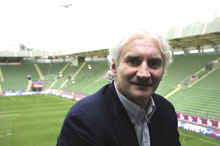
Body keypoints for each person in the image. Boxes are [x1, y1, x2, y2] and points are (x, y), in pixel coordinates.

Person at [57, 29, 181, 146]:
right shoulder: (83, 120)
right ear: (114, 67)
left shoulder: (166, 111)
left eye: (154, 63)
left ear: (163, 70)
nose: (144, 74)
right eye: (133, 61)